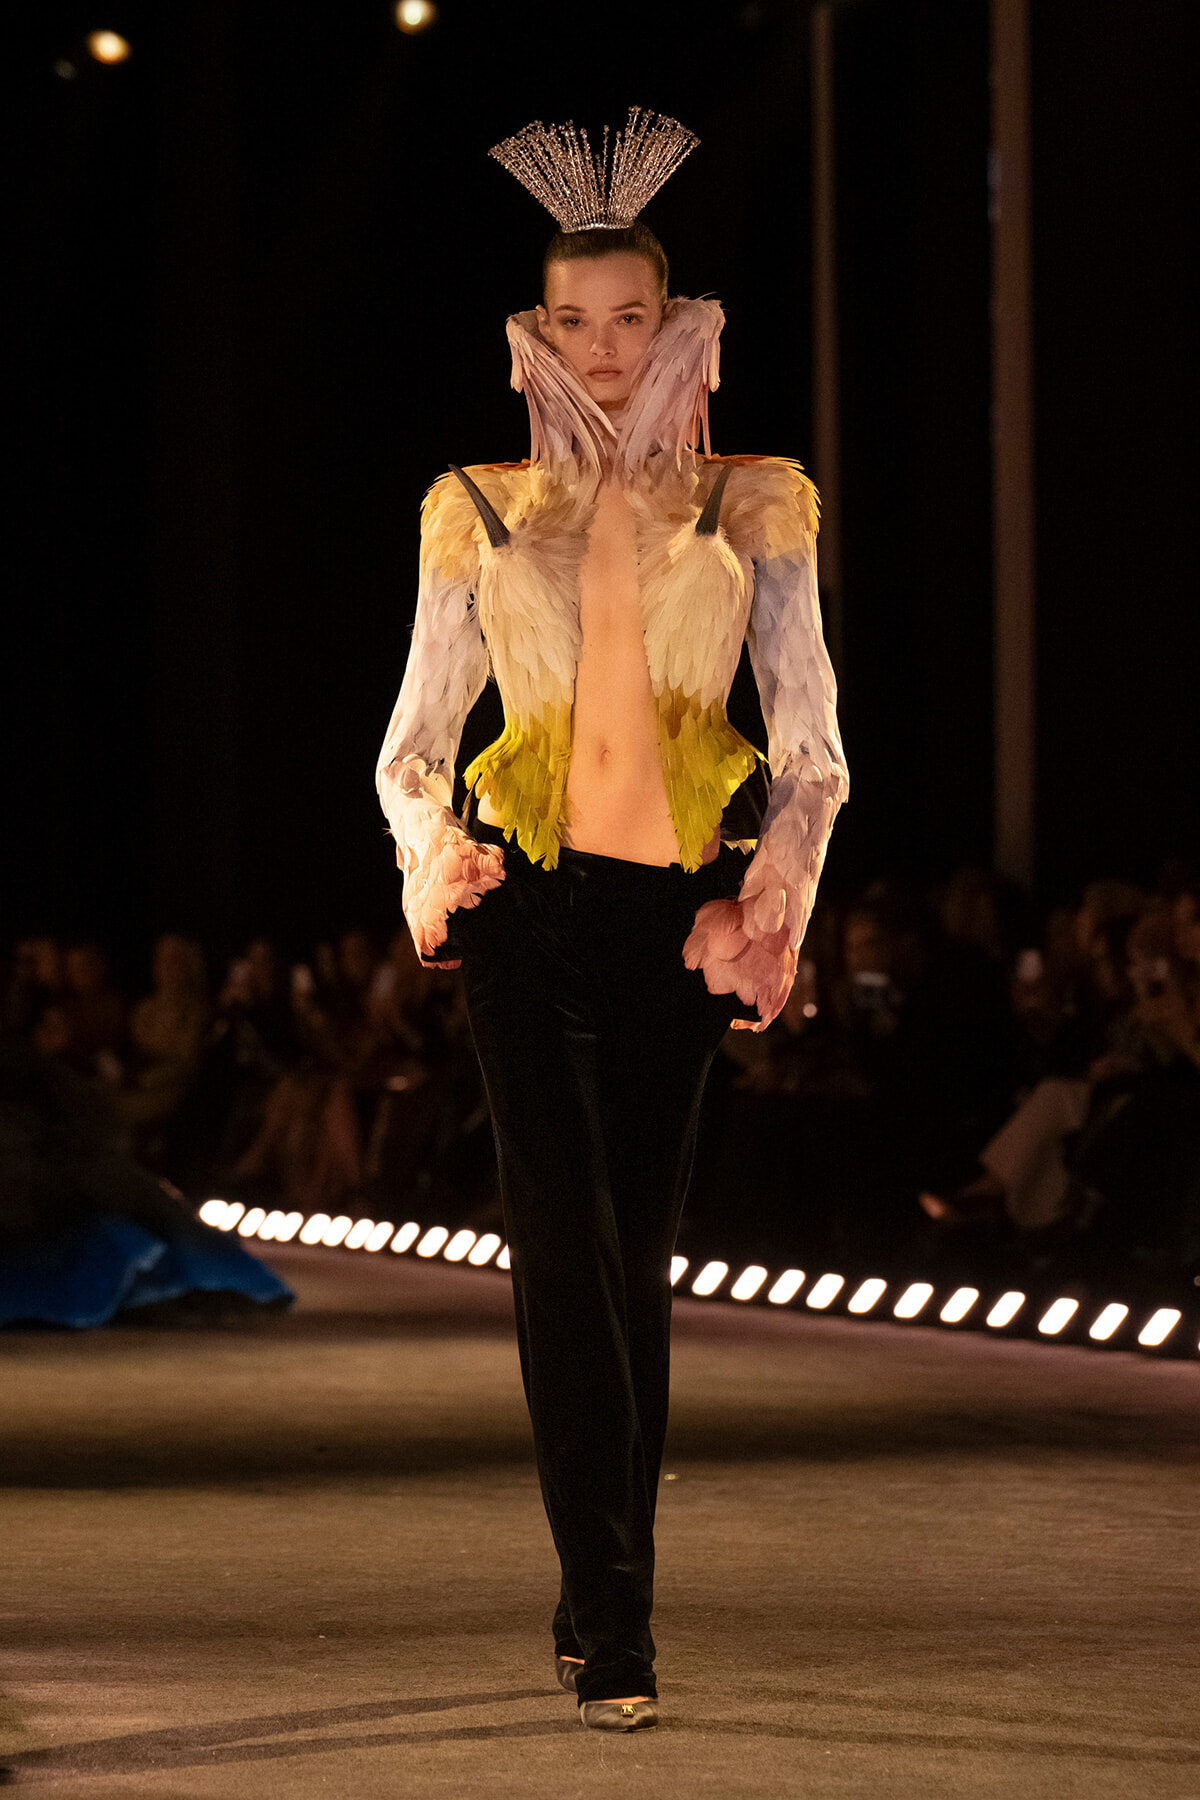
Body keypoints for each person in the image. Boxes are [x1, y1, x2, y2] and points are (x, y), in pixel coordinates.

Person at [375, 110, 848, 1732]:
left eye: (627, 316)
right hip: (529, 922)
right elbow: (412, 745)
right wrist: (436, 860)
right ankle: (617, 1622)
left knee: (631, 1265)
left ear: (678, 323)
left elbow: (812, 746)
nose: (598, 345)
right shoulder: (477, 504)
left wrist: (765, 909)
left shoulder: (759, 500)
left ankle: (599, 1591)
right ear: (534, 332)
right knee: (563, 1265)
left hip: (678, 933)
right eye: (570, 320)